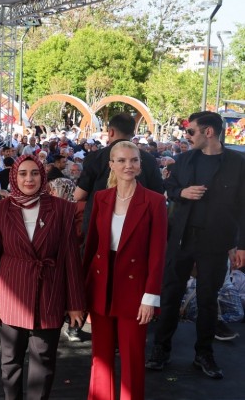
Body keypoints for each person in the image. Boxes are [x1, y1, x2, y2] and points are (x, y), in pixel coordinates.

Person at [146, 111, 245, 379]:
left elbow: (243, 207)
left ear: (208, 132)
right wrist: (182, 192)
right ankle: (161, 349)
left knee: (208, 300)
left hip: (215, 242)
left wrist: (241, 245)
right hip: (181, 239)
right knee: (170, 295)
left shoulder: (237, 163)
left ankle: (204, 354)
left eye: (191, 131)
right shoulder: (184, 159)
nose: (187, 136)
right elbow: (169, 187)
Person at [0, 154, 86, 400]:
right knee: (10, 360)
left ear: (43, 177)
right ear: (14, 177)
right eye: (23, 173)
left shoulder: (62, 208)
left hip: (49, 292)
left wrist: (75, 303)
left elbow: (70, 257)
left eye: (34, 173)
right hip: (12, 291)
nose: (29, 179)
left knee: (43, 360)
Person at [84, 140, 166, 400]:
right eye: (121, 160)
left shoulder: (154, 201)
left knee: (133, 356)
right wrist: (83, 293)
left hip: (135, 288)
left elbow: (158, 253)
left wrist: (150, 297)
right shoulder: (101, 197)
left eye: (133, 160)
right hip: (101, 283)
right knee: (100, 357)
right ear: (111, 165)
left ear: (140, 165)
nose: (128, 165)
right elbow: (91, 246)